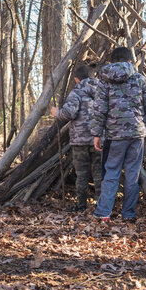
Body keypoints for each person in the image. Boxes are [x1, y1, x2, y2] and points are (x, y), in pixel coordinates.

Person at [91, 47, 146, 221]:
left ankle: (104, 213)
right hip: (136, 135)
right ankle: (128, 214)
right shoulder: (139, 79)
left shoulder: (104, 81)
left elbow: (99, 109)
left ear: (113, 61)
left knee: (111, 173)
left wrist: (96, 133)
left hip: (114, 135)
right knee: (133, 175)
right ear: (130, 61)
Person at [51, 65, 102, 212]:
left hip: (80, 141)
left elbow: (69, 114)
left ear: (76, 79)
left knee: (82, 174)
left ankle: (81, 205)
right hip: (98, 139)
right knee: (99, 172)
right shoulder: (101, 92)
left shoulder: (76, 93)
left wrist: (57, 112)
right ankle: (101, 206)